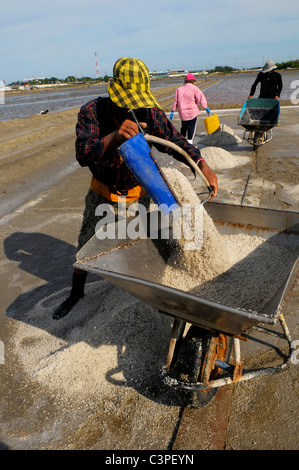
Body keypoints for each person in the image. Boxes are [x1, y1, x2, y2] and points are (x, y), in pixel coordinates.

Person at [53, 57, 218, 320]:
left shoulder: (150, 114)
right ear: (114, 93)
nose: (133, 109)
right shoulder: (92, 112)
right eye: (126, 102)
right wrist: (114, 136)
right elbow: (83, 154)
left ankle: (156, 285)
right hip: (103, 192)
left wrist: (201, 163)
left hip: (138, 192)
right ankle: (76, 293)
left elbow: (173, 140)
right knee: (86, 246)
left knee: (148, 241)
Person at [170, 73, 211, 144]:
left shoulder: (179, 89)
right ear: (192, 81)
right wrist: (206, 107)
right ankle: (190, 143)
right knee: (191, 128)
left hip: (183, 114)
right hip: (192, 113)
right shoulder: (194, 88)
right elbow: (201, 98)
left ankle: (181, 141)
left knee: (184, 127)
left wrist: (173, 110)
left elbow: (176, 101)